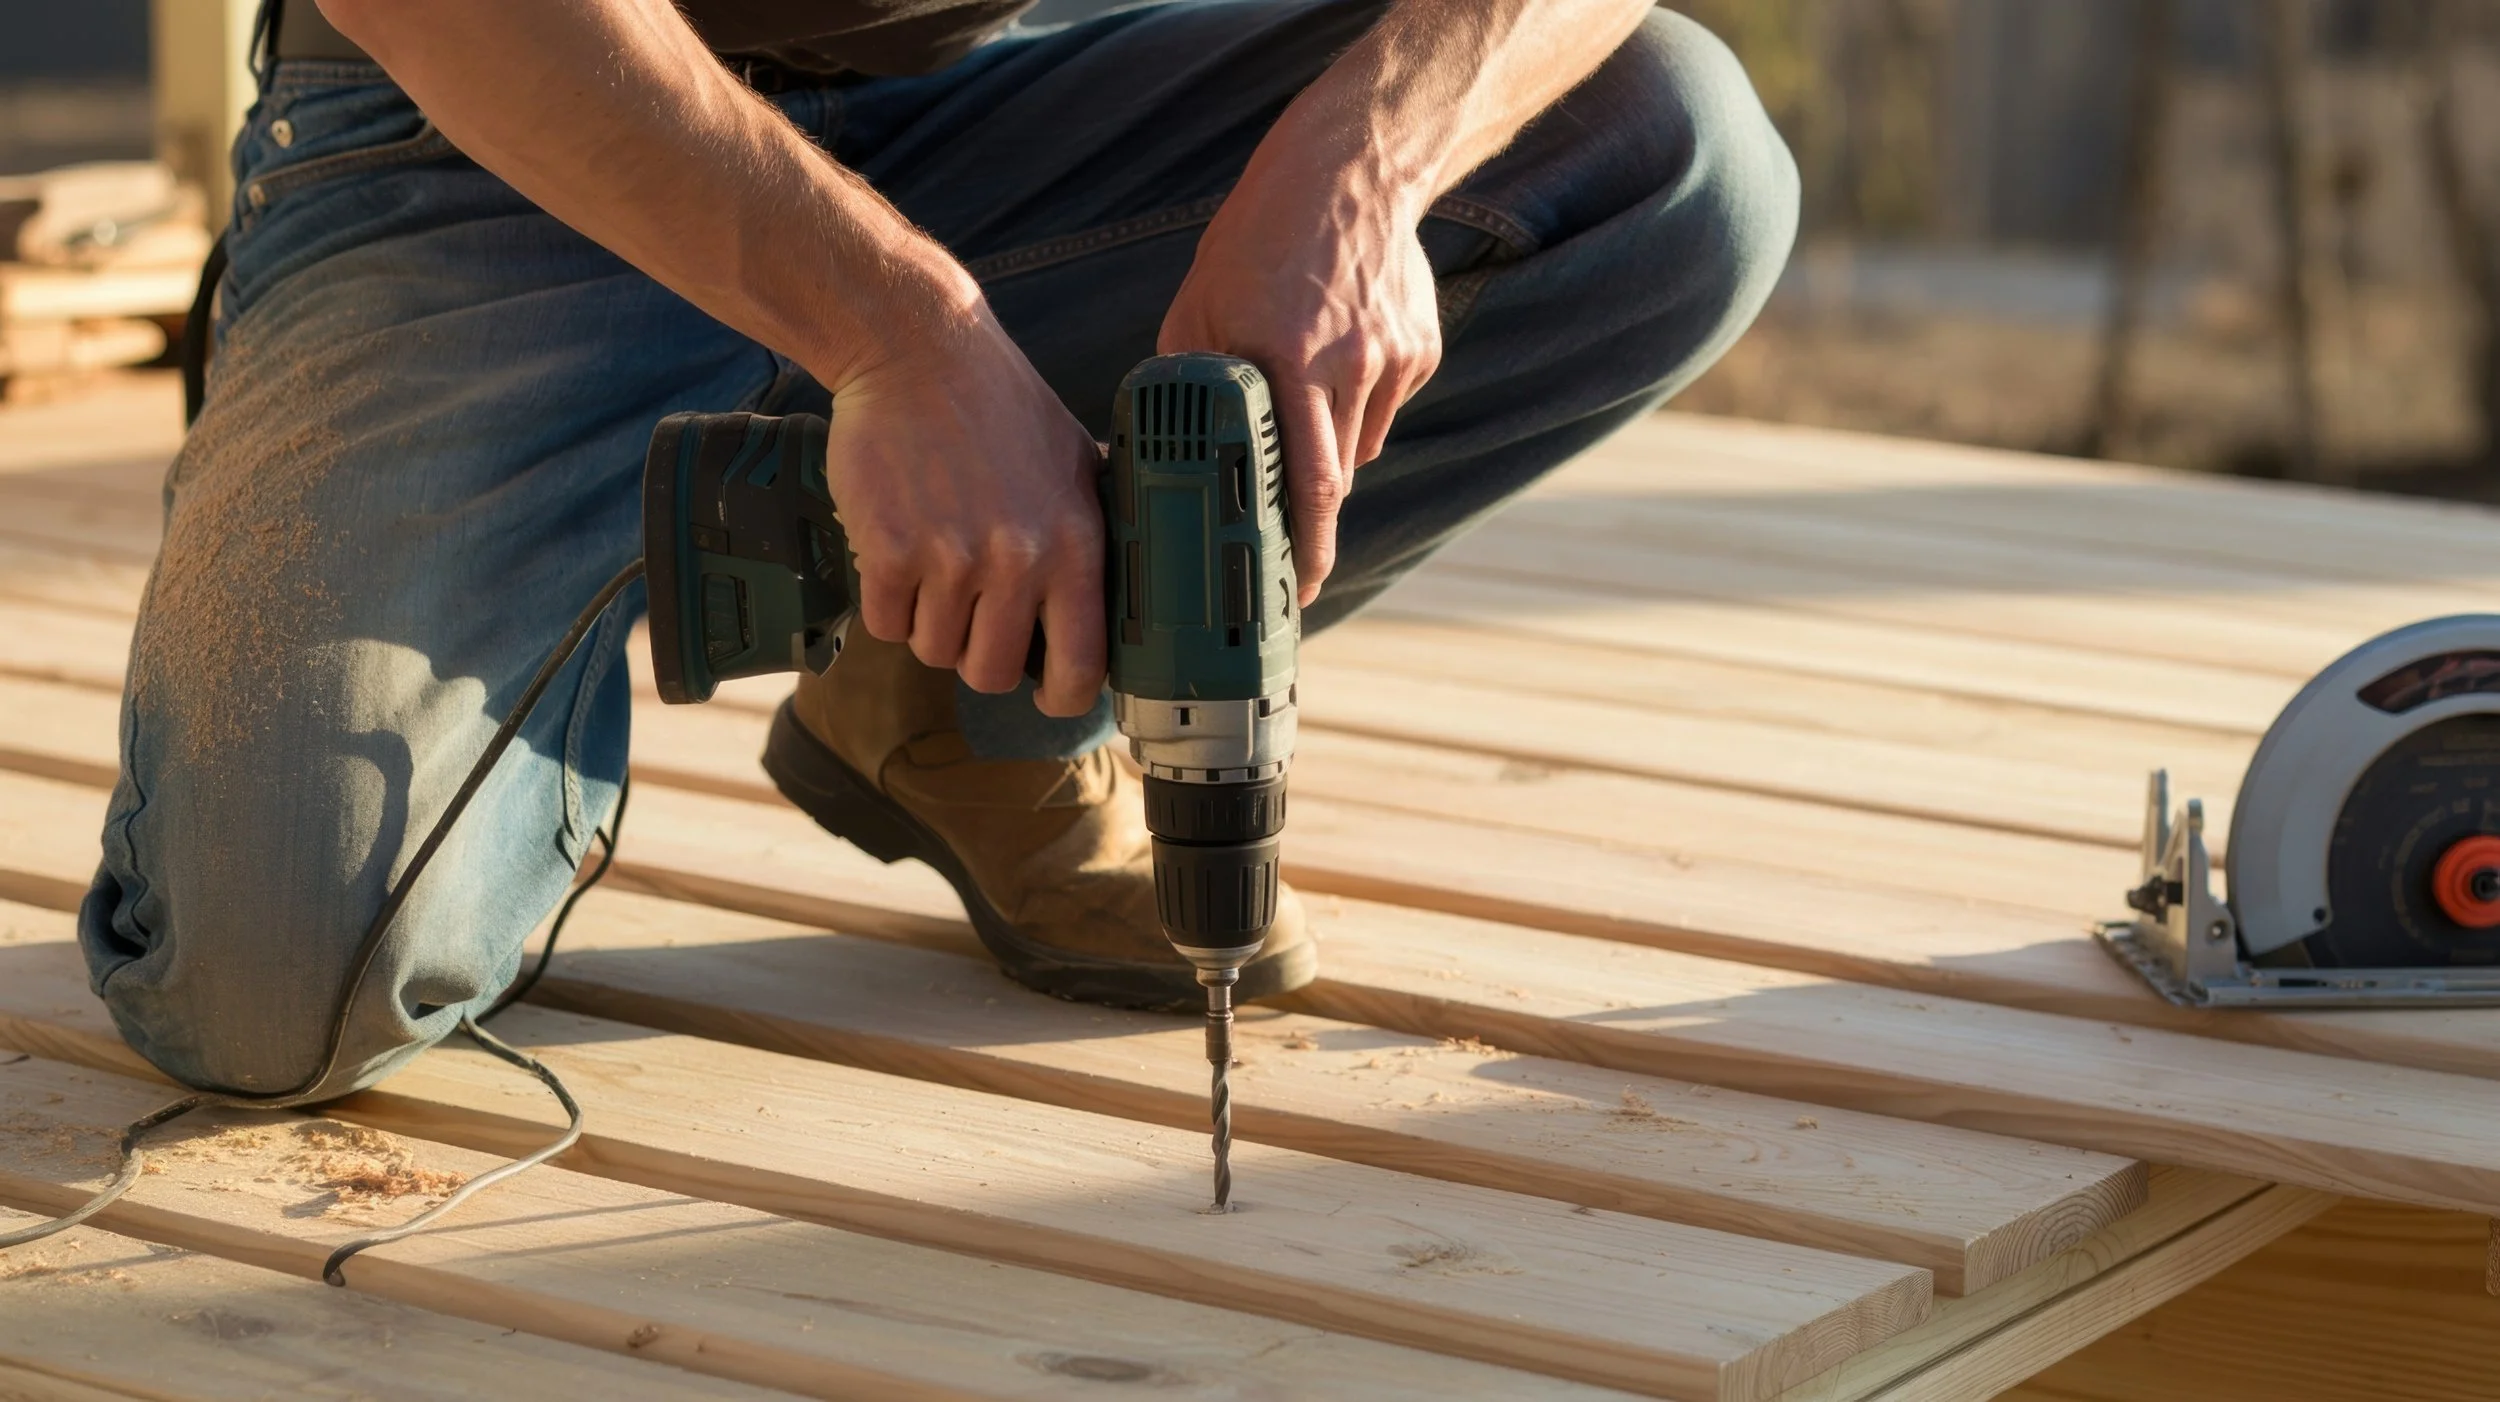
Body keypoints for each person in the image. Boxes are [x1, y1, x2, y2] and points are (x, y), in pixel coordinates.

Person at [79, 0, 1797, 1102]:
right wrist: (904, 339)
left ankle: (968, 677)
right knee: (268, 987)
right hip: (492, 130)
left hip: (970, 114)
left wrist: (1360, 166)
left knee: (1665, 151)